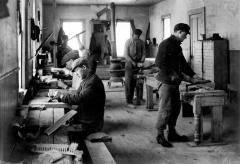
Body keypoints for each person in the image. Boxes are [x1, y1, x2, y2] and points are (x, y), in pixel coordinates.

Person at [155, 23, 202, 147]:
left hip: (174, 82)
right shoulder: (165, 44)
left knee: (175, 108)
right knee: (165, 109)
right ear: (179, 32)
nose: (185, 37)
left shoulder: (177, 46)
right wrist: (171, 74)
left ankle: (172, 133)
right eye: (185, 35)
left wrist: (193, 75)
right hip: (166, 82)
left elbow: (183, 63)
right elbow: (159, 63)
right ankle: (160, 135)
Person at [48, 56, 105, 137]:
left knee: (60, 132)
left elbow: (79, 98)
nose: (76, 74)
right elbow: (76, 94)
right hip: (86, 117)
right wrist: (61, 95)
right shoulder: (86, 80)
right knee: (59, 124)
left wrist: (61, 96)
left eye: (77, 71)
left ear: (84, 67)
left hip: (91, 123)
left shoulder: (93, 82)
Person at [124, 29, 146, 108]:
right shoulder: (128, 42)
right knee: (129, 82)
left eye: (138, 36)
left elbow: (144, 53)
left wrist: (142, 60)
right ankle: (128, 101)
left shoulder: (141, 42)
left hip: (139, 62)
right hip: (130, 63)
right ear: (133, 34)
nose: (137, 37)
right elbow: (126, 55)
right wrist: (133, 62)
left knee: (140, 81)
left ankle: (139, 98)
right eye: (136, 36)